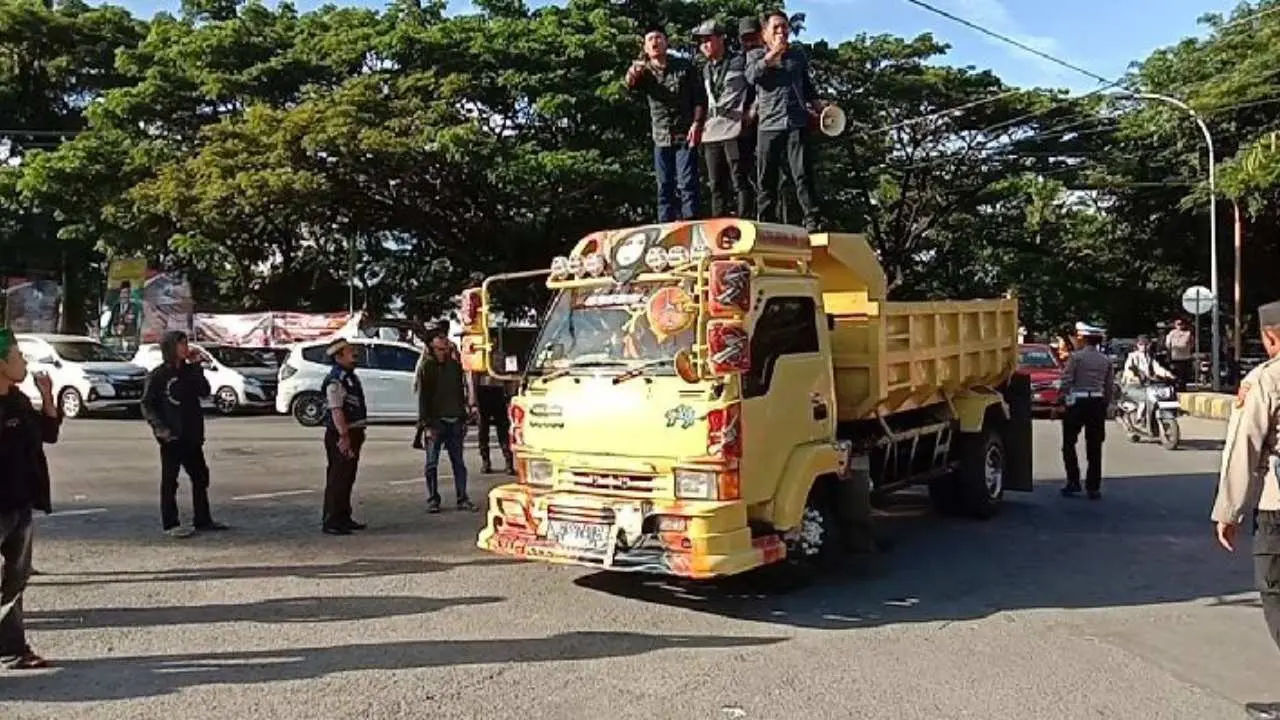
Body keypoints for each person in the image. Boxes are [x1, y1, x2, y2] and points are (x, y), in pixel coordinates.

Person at [1211, 300, 1280, 720]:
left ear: (1269, 335)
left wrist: (1229, 511)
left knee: (1275, 595)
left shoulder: (1266, 379)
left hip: (1277, 508)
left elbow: (1244, 448)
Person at [0, 327, 59, 670]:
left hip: (20, 504)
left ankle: (12, 648)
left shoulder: (19, 400)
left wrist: (47, 396)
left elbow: (48, 434)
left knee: (17, 579)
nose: (23, 362)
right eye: (17, 357)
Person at [142, 330, 228, 538]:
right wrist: (160, 428)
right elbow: (147, 404)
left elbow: (204, 391)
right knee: (170, 480)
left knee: (200, 476)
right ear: (170, 347)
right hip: (171, 435)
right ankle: (170, 523)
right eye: (181, 344)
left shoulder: (189, 372)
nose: (185, 347)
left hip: (191, 432)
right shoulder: (159, 375)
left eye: (186, 343)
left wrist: (197, 366)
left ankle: (203, 518)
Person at [744, 10, 825, 231]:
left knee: (802, 174)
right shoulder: (755, 55)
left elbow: (807, 85)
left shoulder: (797, 55)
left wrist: (821, 110)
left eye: (784, 27)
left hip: (796, 122)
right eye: (776, 28)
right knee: (766, 179)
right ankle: (767, 224)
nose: (782, 32)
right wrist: (772, 55)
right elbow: (751, 77)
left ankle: (812, 220)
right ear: (765, 34)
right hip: (769, 123)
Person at [624, 28, 706, 223]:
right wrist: (632, 73)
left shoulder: (684, 66)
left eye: (658, 38)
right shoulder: (643, 71)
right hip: (660, 137)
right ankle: (665, 228)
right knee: (664, 186)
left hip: (685, 134)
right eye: (650, 39)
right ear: (645, 46)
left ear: (666, 42)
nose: (655, 42)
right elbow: (629, 87)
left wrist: (697, 124)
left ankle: (691, 223)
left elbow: (700, 99)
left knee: (688, 184)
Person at [692, 19, 752, 219]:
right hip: (711, 132)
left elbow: (758, 87)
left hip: (734, 129)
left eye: (708, 40)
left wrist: (752, 112)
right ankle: (718, 224)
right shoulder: (706, 69)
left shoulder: (740, 61)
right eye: (701, 42)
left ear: (721, 39)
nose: (704, 45)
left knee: (739, 180)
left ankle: (744, 220)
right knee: (716, 184)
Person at [417, 335, 477, 513]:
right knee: (432, 463)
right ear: (432, 350)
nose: (443, 353)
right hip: (436, 422)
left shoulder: (454, 368)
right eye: (440, 350)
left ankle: (462, 498)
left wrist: (465, 417)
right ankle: (433, 499)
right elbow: (424, 397)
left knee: (458, 462)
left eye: (446, 349)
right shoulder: (427, 368)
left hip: (455, 420)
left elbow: (461, 393)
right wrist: (426, 424)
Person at [1060, 322, 1114, 500]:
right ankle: (1093, 487)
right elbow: (1108, 386)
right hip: (1096, 402)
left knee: (1068, 444)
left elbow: (1067, 381)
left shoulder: (1076, 358)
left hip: (1077, 402)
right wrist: (1105, 405)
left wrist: (1061, 400)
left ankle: (1073, 482)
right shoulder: (1105, 360)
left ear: (1083, 339)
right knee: (1095, 446)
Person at [320, 338, 367, 535]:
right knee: (338, 477)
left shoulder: (349, 376)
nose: (354, 354)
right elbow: (336, 410)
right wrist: (344, 436)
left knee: (348, 477)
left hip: (354, 432)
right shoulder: (336, 380)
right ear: (338, 356)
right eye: (350, 352)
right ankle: (332, 520)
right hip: (341, 434)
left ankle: (344, 516)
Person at [472, 350, 515, 476]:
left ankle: (508, 461)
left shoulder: (503, 354)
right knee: (483, 430)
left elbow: (510, 375)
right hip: (483, 391)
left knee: (503, 429)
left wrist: (510, 394)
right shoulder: (480, 354)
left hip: (499, 391)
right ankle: (486, 461)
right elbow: (474, 377)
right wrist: (474, 398)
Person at [1120, 334, 1177, 416]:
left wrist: (1169, 375)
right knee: (1145, 398)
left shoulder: (1149, 357)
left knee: (1159, 396)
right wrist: (1135, 376)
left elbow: (1158, 368)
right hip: (1133, 386)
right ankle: (1139, 419)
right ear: (1137, 345)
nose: (1144, 346)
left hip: (1146, 385)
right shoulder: (1132, 356)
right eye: (1141, 344)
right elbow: (1129, 369)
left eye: (1146, 344)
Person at [1165, 317, 1195, 390]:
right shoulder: (1171, 333)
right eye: (1178, 324)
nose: (1180, 326)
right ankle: (1175, 388)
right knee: (1176, 374)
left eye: (1181, 324)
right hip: (1175, 358)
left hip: (1185, 357)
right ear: (1175, 325)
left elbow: (1192, 344)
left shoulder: (1188, 333)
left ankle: (1182, 388)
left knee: (1184, 375)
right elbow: (1168, 345)